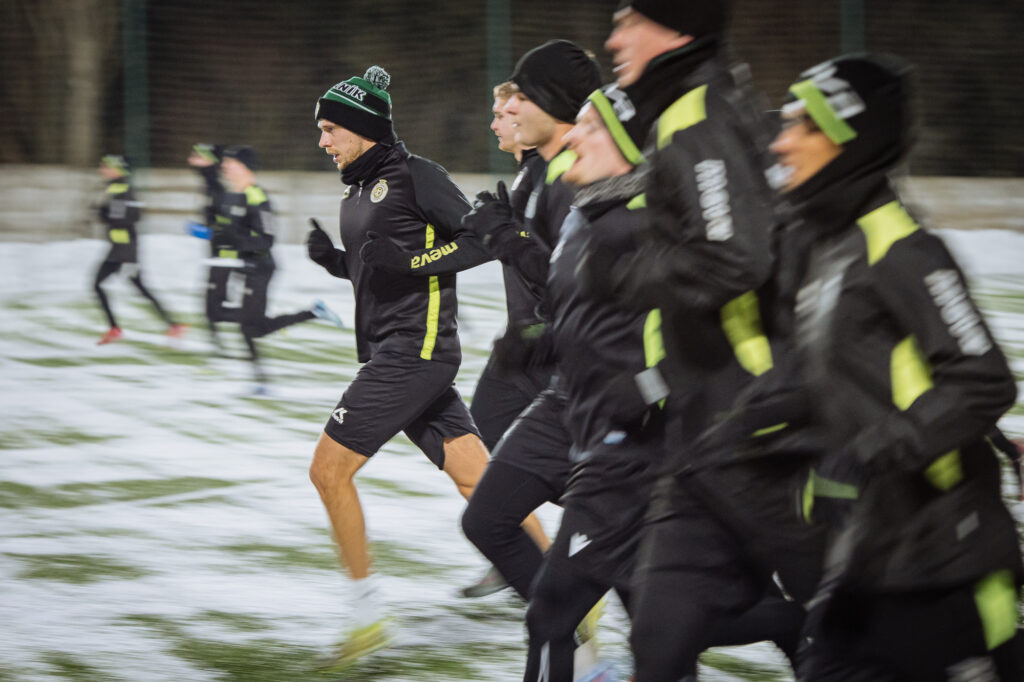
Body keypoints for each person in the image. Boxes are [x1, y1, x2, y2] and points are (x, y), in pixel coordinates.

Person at [578, 2, 825, 679]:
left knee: (855, 627)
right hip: (700, 438)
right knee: (658, 642)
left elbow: (734, 256)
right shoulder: (689, 109)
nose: (614, 39)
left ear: (677, 29)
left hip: (752, 431)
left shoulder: (697, 112)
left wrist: (628, 271)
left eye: (629, 21)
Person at [770, 53, 1022, 681]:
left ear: (851, 138)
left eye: (803, 126)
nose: (782, 141)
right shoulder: (833, 247)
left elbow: (982, 379)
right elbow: (848, 383)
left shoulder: (903, 249)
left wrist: (862, 456)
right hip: (874, 555)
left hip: (949, 562)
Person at [306, 65, 491, 666]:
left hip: (415, 352)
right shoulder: (356, 190)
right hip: (395, 351)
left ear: (363, 129)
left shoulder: (416, 176)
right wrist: (336, 262)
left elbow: (482, 240)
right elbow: (377, 265)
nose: (323, 141)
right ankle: (562, 589)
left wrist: (412, 266)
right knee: (480, 484)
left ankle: (367, 620)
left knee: (328, 471)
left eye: (331, 128)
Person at [522, 84, 664, 682]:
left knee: (551, 611)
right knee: (665, 626)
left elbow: (704, 345)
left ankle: (795, 626)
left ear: (629, 150)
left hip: (630, 458)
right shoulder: (588, 213)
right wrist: (537, 346)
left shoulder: (645, 230)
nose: (573, 135)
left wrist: (648, 392)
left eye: (591, 126)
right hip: (592, 441)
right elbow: (588, 322)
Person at [459, 39, 602, 603]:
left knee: (509, 474)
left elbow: (570, 282)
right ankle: (551, 555)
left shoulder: (570, 178)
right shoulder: (539, 175)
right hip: (534, 350)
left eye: (516, 99)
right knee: (490, 451)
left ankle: (605, 532)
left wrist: (509, 239)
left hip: (562, 360)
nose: (504, 112)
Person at [215, 145, 341, 390]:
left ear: (244, 167)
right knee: (252, 327)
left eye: (230, 162)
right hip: (248, 267)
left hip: (261, 268)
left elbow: (266, 239)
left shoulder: (258, 197)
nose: (225, 166)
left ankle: (262, 380)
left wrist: (234, 242)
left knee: (250, 328)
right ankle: (313, 313)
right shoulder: (235, 195)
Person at [93, 154, 186, 345]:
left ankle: (171, 326)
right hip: (118, 249)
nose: (102, 169)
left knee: (131, 287)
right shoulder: (115, 190)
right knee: (115, 285)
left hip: (125, 251)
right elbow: (114, 217)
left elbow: (125, 219)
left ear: (119, 169)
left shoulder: (125, 191)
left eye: (106, 166)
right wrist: (105, 213)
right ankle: (170, 325)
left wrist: (104, 213)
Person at [185, 142, 232, 351]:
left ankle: (259, 321)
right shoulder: (210, 185)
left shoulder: (216, 188)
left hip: (226, 253)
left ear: (211, 161)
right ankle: (218, 346)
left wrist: (206, 232)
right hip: (218, 253)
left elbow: (228, 225)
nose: (192, 160)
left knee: (213, 307)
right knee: (213, 305)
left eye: (198, 156)